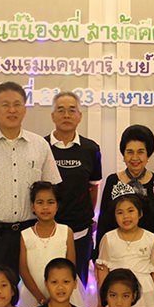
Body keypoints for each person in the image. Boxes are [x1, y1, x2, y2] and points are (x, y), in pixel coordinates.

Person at [0, 81, 61, 284]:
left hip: (31, 234)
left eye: (17, 104)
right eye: (5, 105)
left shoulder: (40, 145)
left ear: (25, 109)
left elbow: (51, 192)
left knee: (34, 290)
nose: (12, 110)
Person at [96, 124, 154, 281]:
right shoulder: (113, 181)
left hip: (147, 256)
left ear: (148, 155)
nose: (135, 158)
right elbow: (104, 221)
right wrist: (98, 256)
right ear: (123, 155)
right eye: (130, 152)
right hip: (117, 255)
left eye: (140, 152)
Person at [45, 91, 103, 286]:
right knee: (48, 284)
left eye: (72, 110)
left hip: (80, 232)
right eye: (60, 110)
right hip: (47, 231)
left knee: (78, 285)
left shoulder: (90, 149)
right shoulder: (41, 146)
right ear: (53, 116)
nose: (66, 115)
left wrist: (88, 216)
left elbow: (93, 188)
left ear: (80, 116)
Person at [96, 185, 154, 307]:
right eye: (120, 212)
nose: (126, 216)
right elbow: (103, 271)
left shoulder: (151, 238)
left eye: (131, 211)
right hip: (117, 291)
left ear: (140, 213)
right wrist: (102, 300)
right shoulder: (108, 238)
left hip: (145, 292)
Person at [18, 181, 85, 307]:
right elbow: (23, 270)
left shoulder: (66, 232)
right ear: (32, 206)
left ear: (57, 206)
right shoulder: (25, 235)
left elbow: (71, 267)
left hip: (63, 293)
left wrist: (57, 297)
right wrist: (40, 298)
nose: (45, 207)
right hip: (32, 294)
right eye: (40, 202)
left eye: (50, 202)